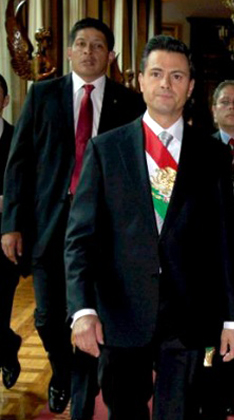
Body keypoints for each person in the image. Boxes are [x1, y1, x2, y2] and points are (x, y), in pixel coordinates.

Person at [64, 35, 234, 420]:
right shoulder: (105, 150)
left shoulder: (212, 155)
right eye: (157, 73)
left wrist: (233, 318)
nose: (166, 83)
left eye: (177, 76)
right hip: (120, 312)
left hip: (189, 314)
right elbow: (80, 239)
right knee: (123, 410)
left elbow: (226, 241)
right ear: (141, 81)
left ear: (190, 87)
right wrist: (81, 309)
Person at [1, 18, 145, 418]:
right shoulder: (42, 95)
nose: (88, 52)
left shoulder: (128, 103)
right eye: (81, 44)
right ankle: (62, 371)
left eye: (98, 46)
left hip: (105, 230)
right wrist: (11, 224)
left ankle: (81, 387)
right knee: (47, 318)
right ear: (68, 51)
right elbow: (19, 163)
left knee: (89, 313)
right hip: (48, 224)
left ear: (110, 55)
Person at [199, 80, 234, 418]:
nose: (232, 107)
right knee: (209, 332)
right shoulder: (198, 150)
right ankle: (208, 384)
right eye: (224, 102)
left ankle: (229, 388)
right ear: (213, 110)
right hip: (210, 259)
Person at [0, 74, 22, 390]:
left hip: (5, 240)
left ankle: (6, 346)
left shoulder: (18, 139)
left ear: (4, 100)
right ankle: (8, 346)